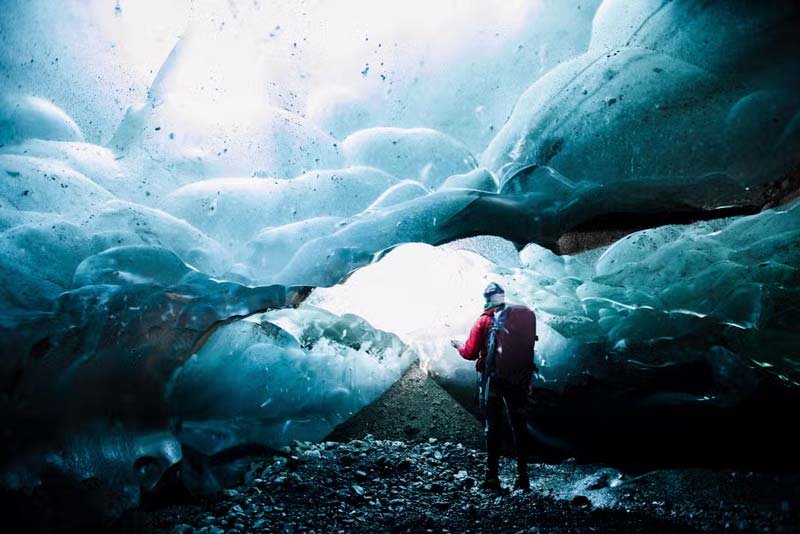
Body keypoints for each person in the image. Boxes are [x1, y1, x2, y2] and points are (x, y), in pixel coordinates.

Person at [451, 282, 537, 491]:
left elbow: (470, 353)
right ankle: (522, 477)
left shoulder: (483, 322)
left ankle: (492, 477)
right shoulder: (522, 317)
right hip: (518, 380)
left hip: (493, 380)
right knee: (519, 425)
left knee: (493, 427)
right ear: (503, 296)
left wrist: (457, 345)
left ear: (487, 299)